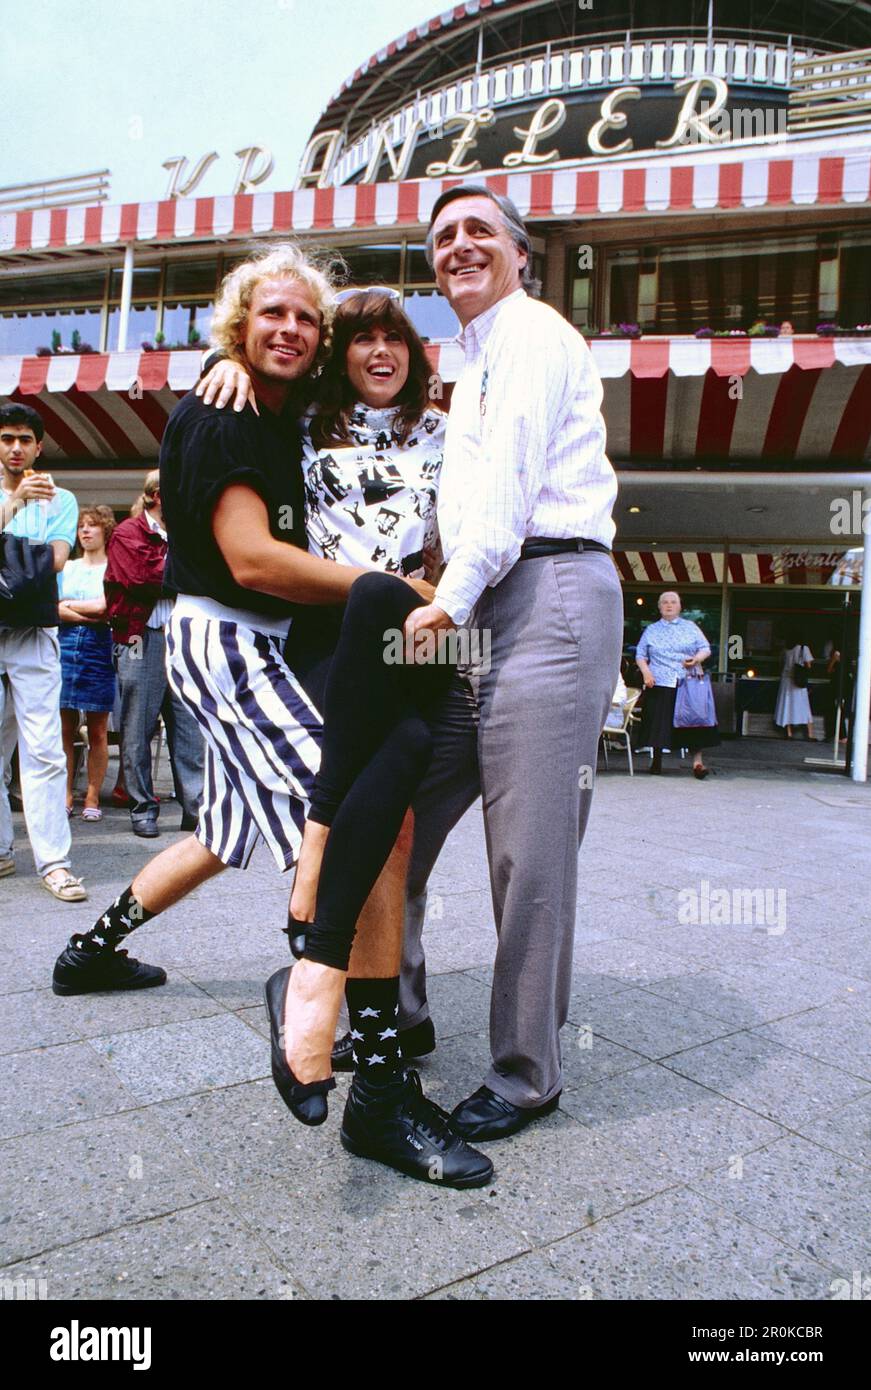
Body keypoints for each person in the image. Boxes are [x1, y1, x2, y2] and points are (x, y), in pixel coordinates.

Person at [53, 246, 492, 1190]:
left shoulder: (281, 408)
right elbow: (250, 559)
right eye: (271, 317)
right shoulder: (225, 410)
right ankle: (371, 1082)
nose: (291, 330)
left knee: (223, 832)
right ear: (239, 328)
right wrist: (396, 588)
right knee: (381, 831)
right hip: (236, 639)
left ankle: (91, 950)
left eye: (306, 319)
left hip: (270, 643)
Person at [389, 184, 623, 1142]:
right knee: (399, 806)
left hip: (551, 590)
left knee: (528, 850)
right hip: (487, 597)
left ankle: (527, 1072)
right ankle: (393, 1008)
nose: (458, 246)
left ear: (520, 253)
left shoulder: (529, 336)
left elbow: (510, 485)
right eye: (442, 237)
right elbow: (458, 502)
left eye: (479, 230)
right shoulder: (465, 356)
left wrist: (446, 597)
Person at [0, 402, 87, 900]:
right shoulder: (25, 497)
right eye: (7, 438)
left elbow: (54, 561)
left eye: (25, 440)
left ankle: (53, 860)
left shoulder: (61, 498)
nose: (16, 448)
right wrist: (12, 506)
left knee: (44, 747)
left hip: (33, 630)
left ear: (39, 446)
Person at [104, 470, 204, 837]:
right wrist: (189, 574)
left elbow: (200, 574)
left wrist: (183, 573)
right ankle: (142, 807)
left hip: (181, 636)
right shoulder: (127, 532)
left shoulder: (187, 532)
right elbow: (141, 580)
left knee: (190, 727)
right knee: (137, 728)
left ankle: (195, 807)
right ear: (157, 495)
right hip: (139, 637)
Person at [58, 505, 116, 818]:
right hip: (65, 644)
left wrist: (70, 606)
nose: (85, 530)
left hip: (99, 646)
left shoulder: (112, 568)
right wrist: (86, 611)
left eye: (92, 525)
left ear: (105, 530)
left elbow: (108, 608)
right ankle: (66, 793)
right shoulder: (67, 568)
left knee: (97, 731)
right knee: (64, 728)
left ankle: (92, 797)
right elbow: (53, 609)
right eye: (82, 525)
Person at [634, 591, 718, 777]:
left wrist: (696, 659)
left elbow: (705, 648)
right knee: (658, 722)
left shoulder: (690, 627)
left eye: (673, 602)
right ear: (659, 607)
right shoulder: (651, 630)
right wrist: (646, 673)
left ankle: (697, 763)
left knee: (694, 721)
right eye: (665, 602)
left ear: (680, 606)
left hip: (687, 681)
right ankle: (656, 762)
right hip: (661, 680)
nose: (669, 605)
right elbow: (640, 654)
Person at [774, 633, 815, 739]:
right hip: (798, 682)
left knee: (787, 706)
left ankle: (789, 733)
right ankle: (810, 734)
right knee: (804, 707)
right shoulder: (803, 648)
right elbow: (809, 665)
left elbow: (780, 664)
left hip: (786, 681)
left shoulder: (785, 650)